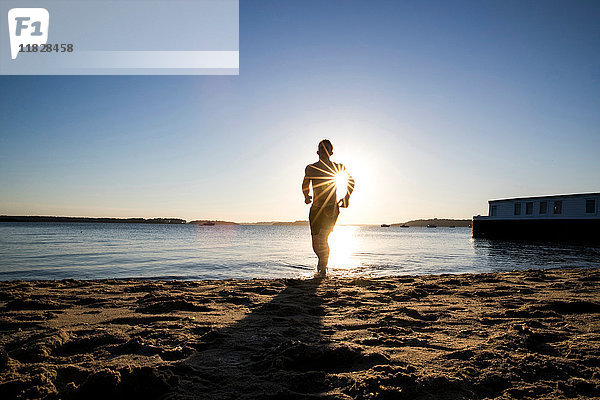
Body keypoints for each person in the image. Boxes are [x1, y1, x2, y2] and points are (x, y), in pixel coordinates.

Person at [302, 139, 355, 277]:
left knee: (323, 238)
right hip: (315, 210)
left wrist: (346, 197)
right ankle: (321, 260)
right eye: (321, 148)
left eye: (327, 148)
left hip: (331, 209)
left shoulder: (337, 167)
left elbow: (351, 181)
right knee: (315, 244)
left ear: (331, 152)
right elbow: (305, 184)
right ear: (317, 152)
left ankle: (323, 269)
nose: (324, 151)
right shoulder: (310, 168)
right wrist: (306, 196)